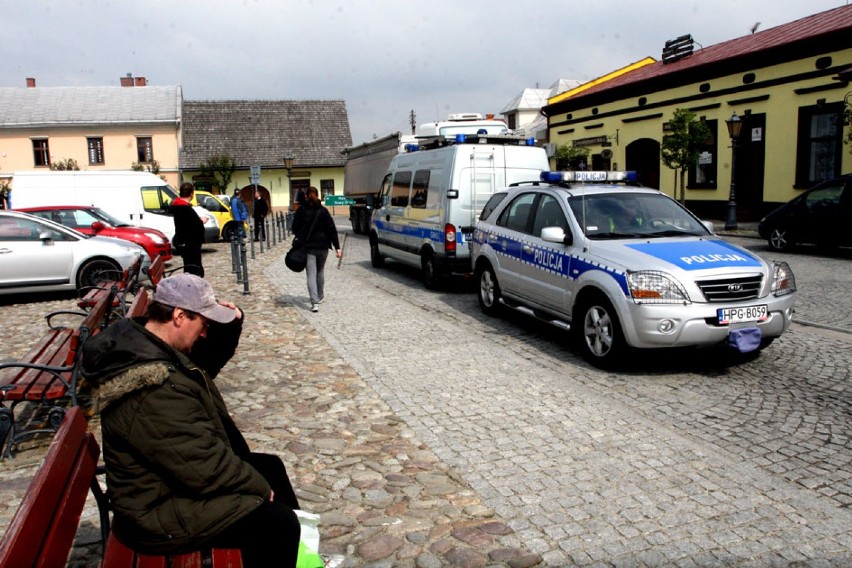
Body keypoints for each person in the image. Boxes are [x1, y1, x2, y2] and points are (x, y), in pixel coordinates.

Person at [80, 273, 301, 567]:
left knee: (270, 467)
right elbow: (202, 468)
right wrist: (259, 488)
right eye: (204, 324)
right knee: (277, 522)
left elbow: (205, 362)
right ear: (179, 316)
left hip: (166, 486)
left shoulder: (151, 345)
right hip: (155, 514)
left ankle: (301, 556)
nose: (206, 332)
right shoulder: (151, 387)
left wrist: (231, 323)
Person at [291, 186, 341, 312]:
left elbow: (294, 227)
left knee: (311, 275)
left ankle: (315, 302)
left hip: (309, 247)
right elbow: (332, 229)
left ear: (306, 196)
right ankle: (320, 295)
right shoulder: (323, 211)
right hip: (323, 247)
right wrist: (337, 247)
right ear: (318, 196)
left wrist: (301, 235)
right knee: (320, 272)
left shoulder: (301, 210)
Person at [172, 182, 205, 276]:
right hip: (190, 243)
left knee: (189, 268)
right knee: (193, 269)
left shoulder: (178, 206)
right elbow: (193, 225)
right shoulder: (184, 208)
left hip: (184, 242)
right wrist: (201, 221)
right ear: (192, 194)